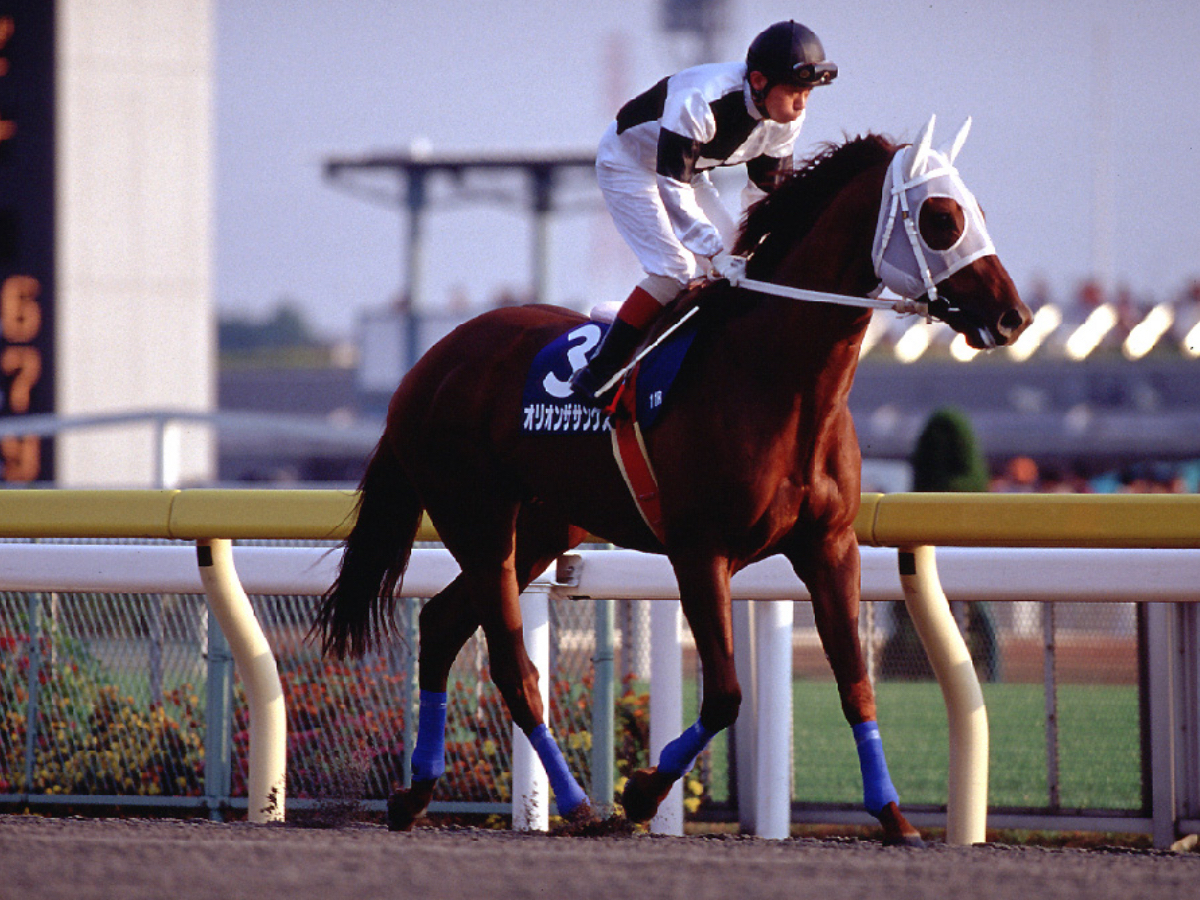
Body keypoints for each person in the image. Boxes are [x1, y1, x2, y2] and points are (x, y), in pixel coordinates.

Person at [570, 20, 838, 399]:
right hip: (630, 165)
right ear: (759, 81)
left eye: (808, 93)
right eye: (795, 91)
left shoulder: (784, 120)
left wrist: (755, 251)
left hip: (689, 174)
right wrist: (712, 252)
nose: (802, 105)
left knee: (745, 263)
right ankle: (599, 371)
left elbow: (767, 198)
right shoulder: (701, 99)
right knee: (675, 269)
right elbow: (671, 185)